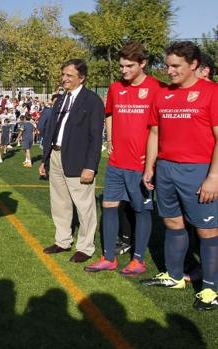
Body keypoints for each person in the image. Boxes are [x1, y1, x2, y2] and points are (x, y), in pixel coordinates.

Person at [140, 41, 218, 311]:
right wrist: (150, 166)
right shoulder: (163, 95)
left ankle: (210, 289)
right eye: (167, 65)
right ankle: (174, 276)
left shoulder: (212, 92)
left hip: (199, 170)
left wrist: (213, 177)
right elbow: (154, 133)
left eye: (176, 66)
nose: (169, 71)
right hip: (166, 170)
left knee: (207, 230)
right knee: (173, 223)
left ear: (194, 65)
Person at [84, 42, 163, 276]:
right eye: (121, 66)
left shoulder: (157, 88)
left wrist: (152, 158)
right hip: (117, 162)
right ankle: (109, 258)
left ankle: (138, 260)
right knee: (108, 206)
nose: (124, 70)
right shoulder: (116, 88)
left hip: (140, 164)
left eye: (129, 66)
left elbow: (162, 128)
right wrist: (110, 140)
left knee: (141, 210)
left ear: (143, 64)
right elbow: (109, 113)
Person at [39, 59, 105, 263]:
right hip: (56, 156)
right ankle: (62, 241)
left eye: (69, 75)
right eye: (63, 74)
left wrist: (90, 166)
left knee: (84, 206)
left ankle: (85, 247)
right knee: (59, 203)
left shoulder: (92, 101)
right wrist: (45, 159)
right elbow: (52, 130)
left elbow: (96, 137)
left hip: (79, 160)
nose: (64, 78)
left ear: (81, 78)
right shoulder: (61, 99)